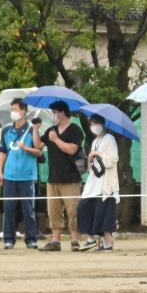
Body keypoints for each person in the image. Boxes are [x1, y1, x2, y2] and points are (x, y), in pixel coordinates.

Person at [41, 101, 84, 252]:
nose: (53, 116)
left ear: (62, 112)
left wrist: (56, 140)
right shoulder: (51, 130)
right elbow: (37, 144)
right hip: (53, 177)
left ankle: (75, 240)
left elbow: (72, 149)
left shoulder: (75, 130)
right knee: (53, 210)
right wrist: (34, 129)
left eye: (54, 112)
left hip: (70, 177)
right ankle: (55, 241)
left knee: (73, 210)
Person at [0, 101, 43, 251]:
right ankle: (8, 239)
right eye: (11, 109)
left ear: (24, 111)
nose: (13, 112)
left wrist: (27, 147)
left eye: (15, 109)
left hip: (27, 176)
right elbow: (3, 152)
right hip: (9, 175)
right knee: (9, 208)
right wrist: (0, 172)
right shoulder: (6, 131)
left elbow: (38, 150)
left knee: (28, 208)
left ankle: (31, 238)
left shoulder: (31, 129)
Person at [76, 114, 120, 251]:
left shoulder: (110, 139)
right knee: (84, 206)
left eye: (96, 123)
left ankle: (107, 241)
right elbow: (93, 167)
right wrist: (90, 159)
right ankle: (91, 237)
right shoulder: (95, 141)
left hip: (106, 182)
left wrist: (99, 154)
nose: (94, 126)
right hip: (94, 181)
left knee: (104, 212)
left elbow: (113, 159)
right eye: (92, 123)